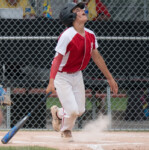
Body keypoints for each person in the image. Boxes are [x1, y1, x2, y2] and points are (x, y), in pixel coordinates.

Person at [46, 2, 118, 141]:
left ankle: (58, 113)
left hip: (77, 75)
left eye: (82, 9)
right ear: (70, 16)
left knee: (80, 110)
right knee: (72, 110)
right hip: (62, 76)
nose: (83, 11)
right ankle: (66, 131)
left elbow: (96, 56)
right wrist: (51, 82)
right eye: (78, 10)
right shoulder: (67, 35)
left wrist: (110, 78)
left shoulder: (90, 34)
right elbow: (57, 60)